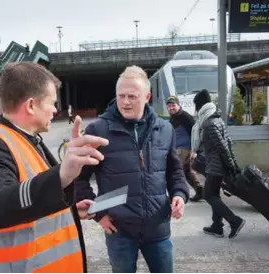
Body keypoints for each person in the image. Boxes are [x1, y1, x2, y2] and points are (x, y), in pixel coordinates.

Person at [0, 62, 109, 273]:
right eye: (52, 102)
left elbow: (30, 198)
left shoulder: (29, 140)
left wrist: (68, 211)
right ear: (31, 105)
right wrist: (61, 176)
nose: (56, 110)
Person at [75, 65, 189, 273]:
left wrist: (180, 194)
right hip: (119, 229)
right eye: (121, 96)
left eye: (132, 96)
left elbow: (175, 172)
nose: (125, 102)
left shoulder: (165, 129)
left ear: (147, 96)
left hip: (158, 227)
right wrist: (99, 213)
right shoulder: (98, 130)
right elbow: (78, 179)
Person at [191, 89, 245, 239]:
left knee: (208, 195)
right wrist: (233, 163)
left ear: (200, 106)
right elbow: (229, 143)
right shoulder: (218, 119)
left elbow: (223, 147)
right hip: (216, 166)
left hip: (216, 167)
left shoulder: (208, 124)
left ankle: (234, 221)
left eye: (196, 105)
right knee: (214, 194)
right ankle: (217, 226)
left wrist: (231, 165)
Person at [166, 96, 203, 202]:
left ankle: (176, 194)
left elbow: (196, 132)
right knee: (186, 172)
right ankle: (200, 190)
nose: (171, 108)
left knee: (175, 170)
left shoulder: (185, 116)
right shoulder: (173, 117)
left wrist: (194, 149)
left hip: (185, 148)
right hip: (178, 147)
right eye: (169, 106)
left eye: (173, 105)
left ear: (178, 105)